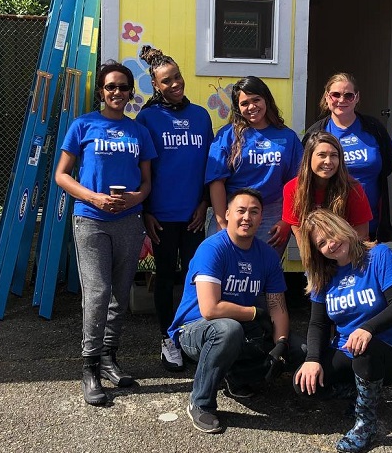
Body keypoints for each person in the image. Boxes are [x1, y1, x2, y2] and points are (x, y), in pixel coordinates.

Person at [55, 60, 156, 406]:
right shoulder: (83, 125)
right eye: (111, 87)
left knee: (120, 293)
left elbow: (146, 182)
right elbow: (62, 175)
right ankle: (90, 366)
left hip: (129, 221)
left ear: (131, 93)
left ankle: (111, 358)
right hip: (91, 220)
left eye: (123, 87)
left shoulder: (138, 131)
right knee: (97, 293)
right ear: (101, 91)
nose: (117, 92)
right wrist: (94, 197)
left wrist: (135, 198)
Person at [167, 188, 306, 434]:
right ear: (227, 214)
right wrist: (255, 313)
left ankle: (237, 377)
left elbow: (277, 306)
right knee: (228, 330)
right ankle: (200, 403)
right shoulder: (213, 248)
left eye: (254, 212)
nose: (247, 217)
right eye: (241, 211)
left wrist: (280, 345)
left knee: (300, 349)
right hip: (195, 329)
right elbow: (210, 309)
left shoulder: (267, 256)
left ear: (261, 218)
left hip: (240, 326)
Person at [294, 209, 392, 453]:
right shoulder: (322, 275)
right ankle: (363, 393)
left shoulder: (377, 255)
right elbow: (318, 324)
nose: (331, 243)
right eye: (322, 243)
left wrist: (368, 328)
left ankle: (366, 423)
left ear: (344, 227)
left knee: (364, 350)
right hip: (346, 349)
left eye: (332, 234)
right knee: (304, 384)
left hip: (387, 353)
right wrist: (312, 359)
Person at [135, 45, 214, 373]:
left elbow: (210, 166)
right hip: (162, 217)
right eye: (167, 81)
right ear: (156, 85)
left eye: (177, 77)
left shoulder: (200, 116)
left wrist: (205, 203)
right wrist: (146, 213)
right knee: (166, 277)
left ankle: (192, 335)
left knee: (198, 279)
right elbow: (143, 168)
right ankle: (168, 338)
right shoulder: (147, 118)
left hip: (194, 215)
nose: (175, 84)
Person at [205, 76, 302, 256]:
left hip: (272, 214)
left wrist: (286, 221)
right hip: (232, 210)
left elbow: (297, 184)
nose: (251, 107)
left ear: (266, 99)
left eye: (256, 99)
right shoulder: (227, 136)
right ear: (237, 108)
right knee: (223, 266)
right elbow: (216, 181)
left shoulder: (288, 137)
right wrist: (221, 221)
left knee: (262, 272)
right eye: (244, 103)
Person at [303, 73, 392, 242]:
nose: (341, 99)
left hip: (370, 222)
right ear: (327, 97)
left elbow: (388, 165)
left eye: (348, 95)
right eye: (336, 94)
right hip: (330, 225)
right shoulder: (316, 133)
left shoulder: (374, 128)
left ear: (356, 98)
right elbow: (305, 175)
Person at [282, 131, 372, 252]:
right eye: (322, 155)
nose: (328, 161)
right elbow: (300, 236)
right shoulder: (292, 188)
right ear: (309, 157)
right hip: (315, 254)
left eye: (334, 155)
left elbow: (362, 235)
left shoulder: (353, 188)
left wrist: (344, 261)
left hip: (349, 253)